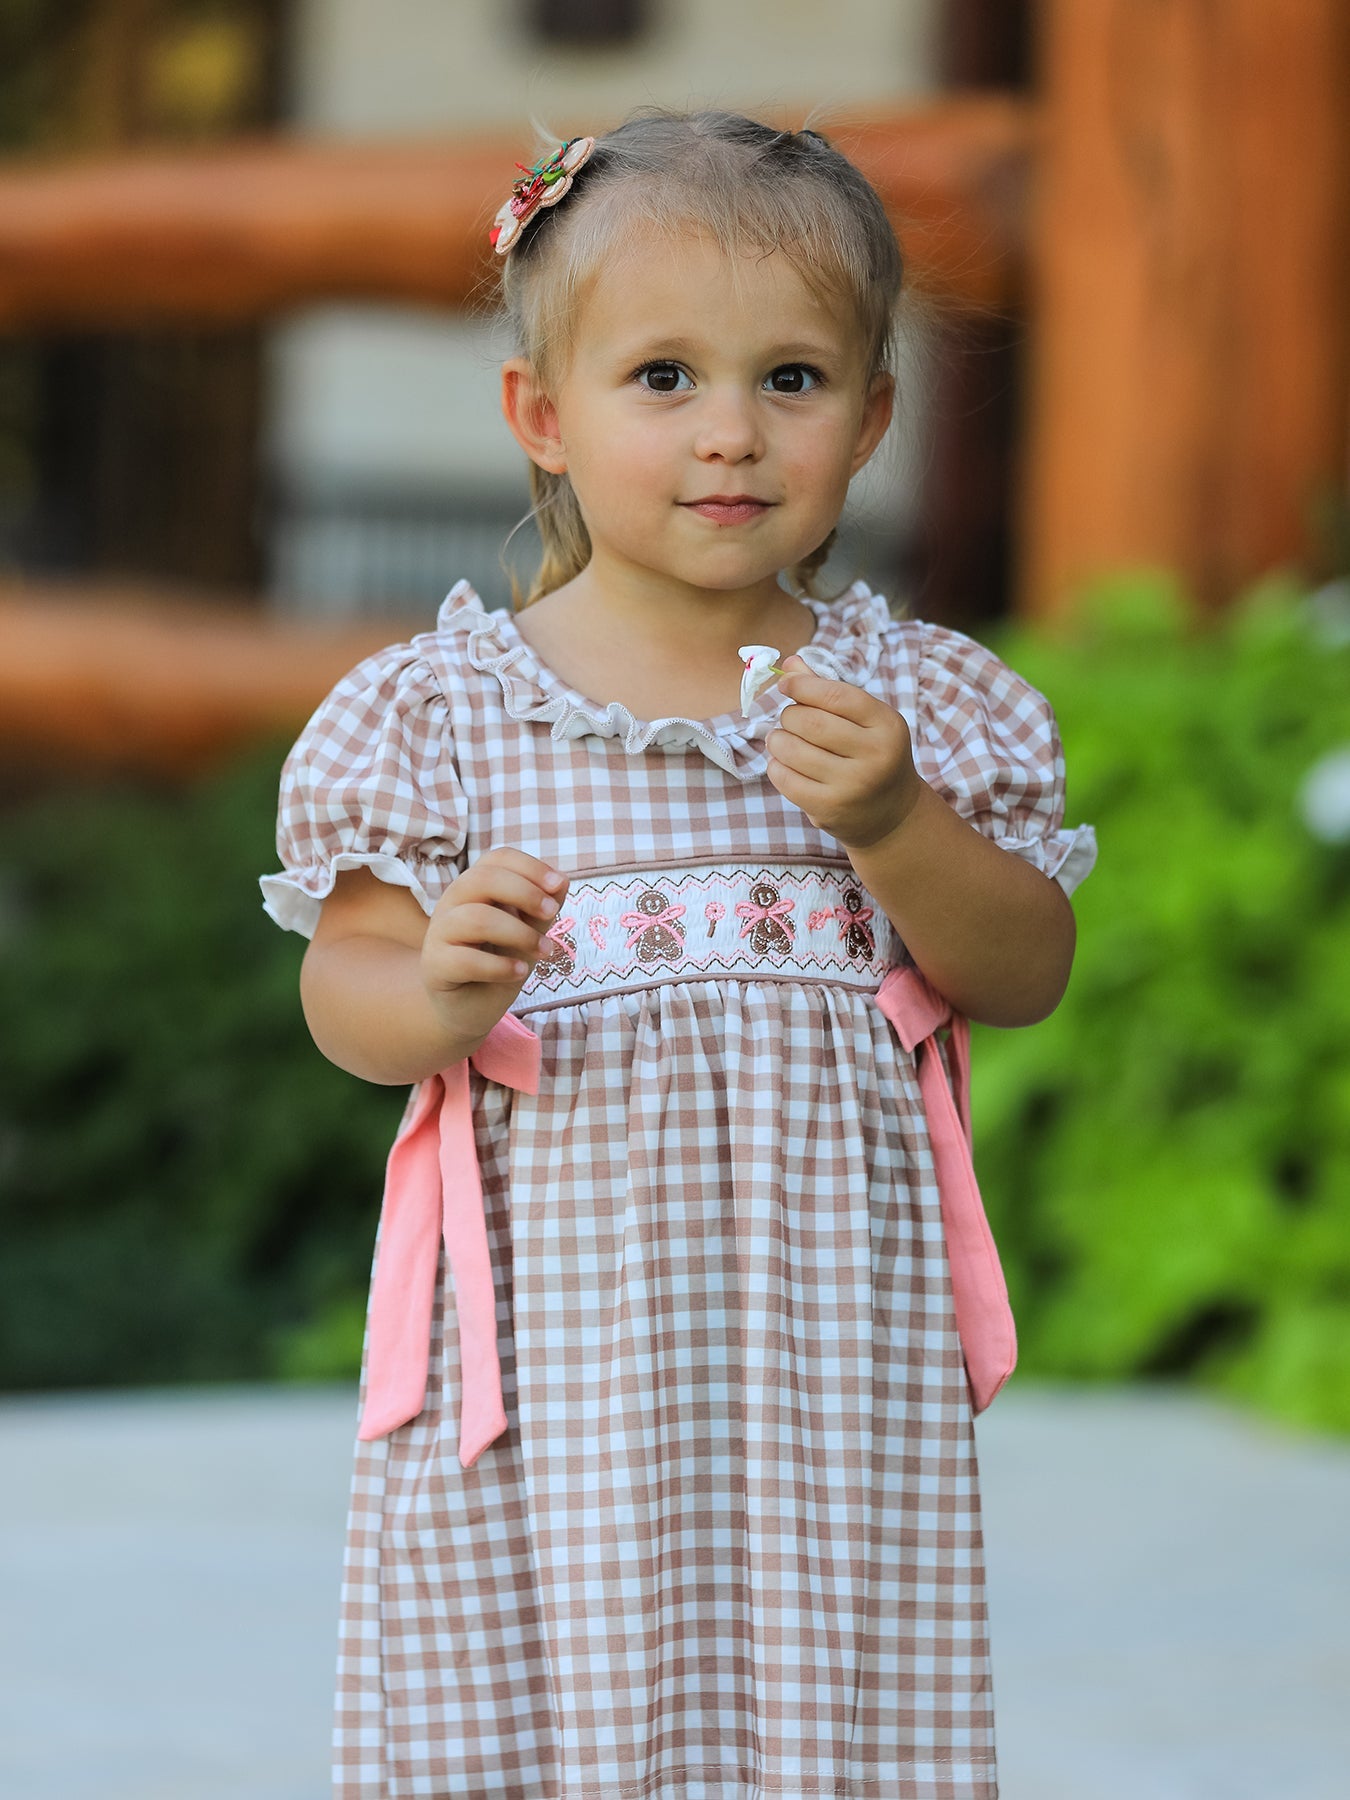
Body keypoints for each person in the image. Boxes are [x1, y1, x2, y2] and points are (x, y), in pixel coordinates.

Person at [260, 109, 1098, 1800]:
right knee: (538, 1714)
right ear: (542, 419)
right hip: (555, 1386)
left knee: (818, 1714)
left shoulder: (915, 708)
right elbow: (342, 996)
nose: (730, 434)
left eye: (790, 379)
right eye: (663, 379)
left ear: (869, 418)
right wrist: (435, 992)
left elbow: (1021, 968)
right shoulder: (441, 719)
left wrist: (897, 827)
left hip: (822, 1380)